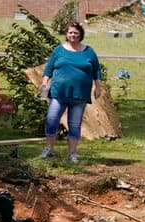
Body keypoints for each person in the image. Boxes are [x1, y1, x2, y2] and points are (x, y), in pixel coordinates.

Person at [39, 22, 102, 164]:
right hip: (58, 92)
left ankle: (72, 154)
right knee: (52, 119)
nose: (73, 35)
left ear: (81, 35)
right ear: (66, 34)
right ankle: (49, 149)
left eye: (75, 33)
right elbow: (48, 69)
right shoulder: (59, 50)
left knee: (74, 124)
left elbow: (96, 71)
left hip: (79, 94)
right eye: (70, 32)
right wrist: (44, 84)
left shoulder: (89, 52)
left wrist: (98, 87)